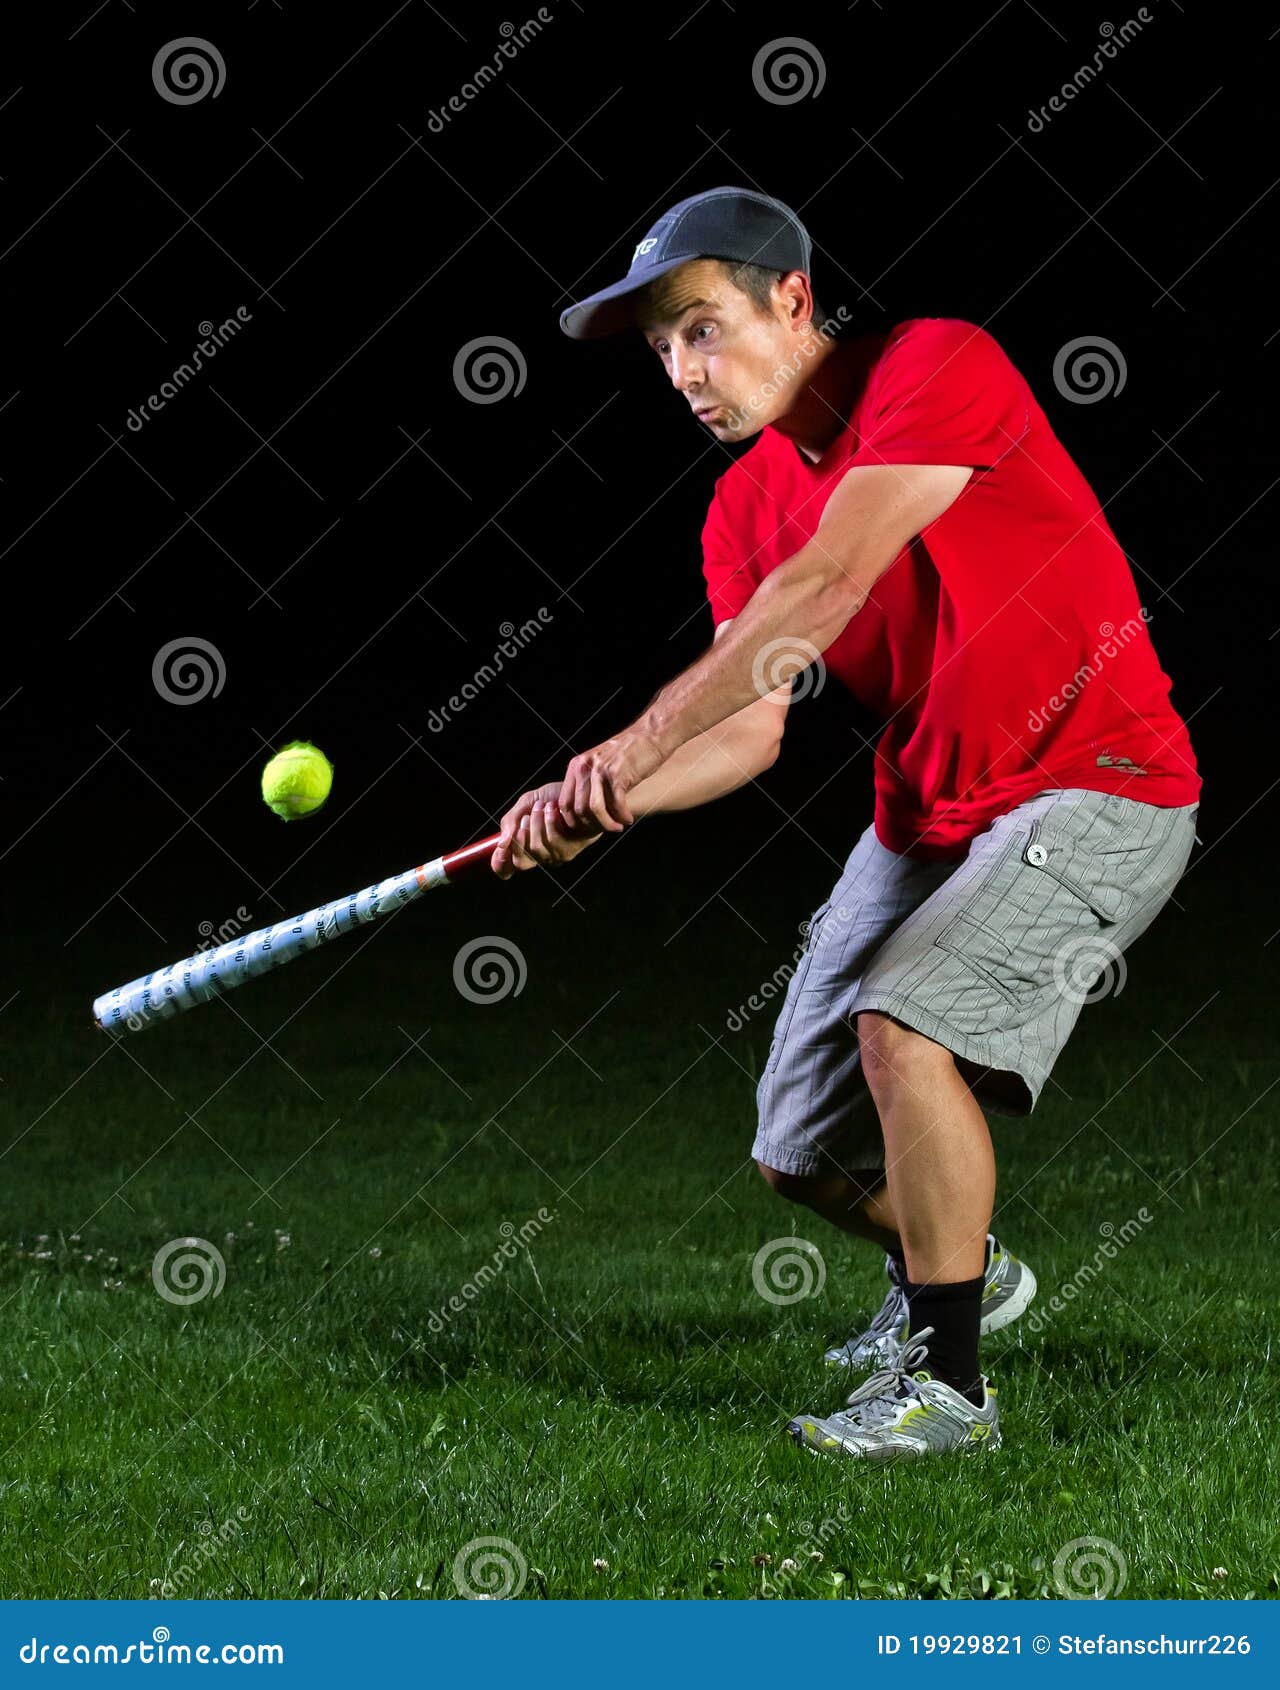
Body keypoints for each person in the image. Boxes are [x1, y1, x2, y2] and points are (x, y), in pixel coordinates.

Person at [490, 186, 1200, 1462]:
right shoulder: (737, 508)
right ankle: (961, 1269)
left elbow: (826, 582)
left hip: (1097, 780)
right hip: (927, 810)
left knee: (902, 1022)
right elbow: (747, 729)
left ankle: (948, 1391)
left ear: (792, 299)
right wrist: (607, 802)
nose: (681, 372)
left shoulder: (935, 366)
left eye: (701, 328)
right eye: (660, 349)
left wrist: (628, 745)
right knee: (795, 1151)